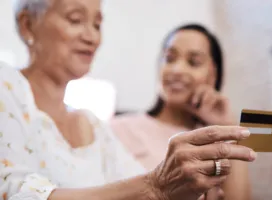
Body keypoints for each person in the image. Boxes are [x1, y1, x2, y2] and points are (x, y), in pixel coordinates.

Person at [0, 0, 257, 200]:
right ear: (27, 24)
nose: (92, 37)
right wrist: (155, 188)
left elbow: (145, 184)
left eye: (98, 24)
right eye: (75, 19)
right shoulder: (6, 86)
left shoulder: (92, 125)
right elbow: (13, 191)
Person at [111, 24, 251, 200]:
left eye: (193, 62)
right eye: (169, 59)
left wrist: (228, 126)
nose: (177, 70)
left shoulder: (216, 141)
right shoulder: (117, 129)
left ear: (213, 75)